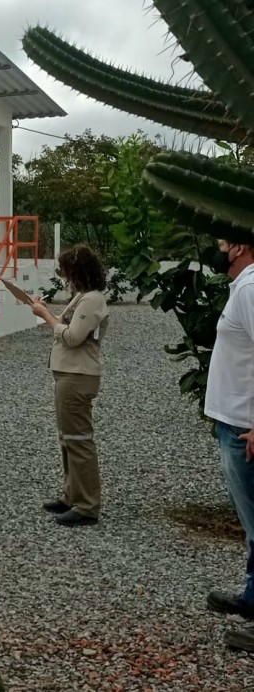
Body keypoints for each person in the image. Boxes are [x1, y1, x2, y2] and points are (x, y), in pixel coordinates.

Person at [30, 245, 109, 527]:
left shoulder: (92, 300)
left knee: (79, 440)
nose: (64, 277)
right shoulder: (83, 297)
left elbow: (73, 336)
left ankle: (87, 505)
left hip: (78, 375)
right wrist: (49, 313)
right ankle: (71, 494)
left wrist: (46, 317)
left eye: (67, 271)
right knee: (67, 439)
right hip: (68, 373)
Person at [203, 235, 254, 652]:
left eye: (222, 241)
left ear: (238, 247)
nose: (217, 248)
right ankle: (252, 598)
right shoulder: (244, 287)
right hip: (235, 424)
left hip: (246, 430)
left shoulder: (252, 289)